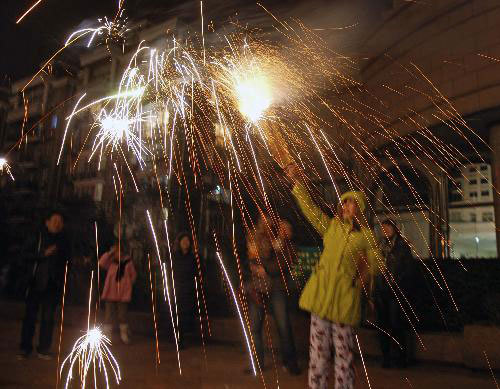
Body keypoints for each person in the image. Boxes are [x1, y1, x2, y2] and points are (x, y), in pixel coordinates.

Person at [286, 163, 381, 389]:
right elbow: (309, 209)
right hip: (320, 297)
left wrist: (361, 278)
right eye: (344, 201)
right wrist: (297, 183)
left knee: (343, 355)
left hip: (344, 300)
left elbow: (378, 263)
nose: (347, 205)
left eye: (352, 202)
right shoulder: (331, 227)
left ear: (360, 208)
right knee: (317, 353)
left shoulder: (366, 236)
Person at [244, 213, 300, 375]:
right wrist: (254, 267)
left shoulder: (286, 245)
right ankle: (257, 363)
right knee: (254, 326)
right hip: (258, 287)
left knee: (283, 325)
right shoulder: (259, 240)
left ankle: (290, 362)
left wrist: (265, 269)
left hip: (276, 288)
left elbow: (284, 263)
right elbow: (252, 259)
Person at [18, 211, 70, 360]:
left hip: (53, 285)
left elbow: (68, 260)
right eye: (54, 220)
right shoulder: (38, 236)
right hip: (36, 283)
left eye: (60, 221)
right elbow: (25, 255)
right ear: (47, 222)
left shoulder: (63, 240)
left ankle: (43, 348)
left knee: (48, 319)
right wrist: (43, 254)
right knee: (30, 318)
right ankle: (25, 348)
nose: (57, 223)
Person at [374, 218, 415, 368]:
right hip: (381, 291)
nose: (385, 230)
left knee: (396, 325)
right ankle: (386, 358)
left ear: (394, 228)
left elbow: (408, 269)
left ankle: (400, 358)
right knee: (383, 326)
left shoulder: (402, 246)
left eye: (388, 227)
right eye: (383, 228)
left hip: (395, 292)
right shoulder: (380, 246)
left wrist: (397, 283)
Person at [99, 241, 137, 344]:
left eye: (119, 251)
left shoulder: (128, 263)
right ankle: (107, 336)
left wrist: (127, 285)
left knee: (122, 315)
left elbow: (133, 275)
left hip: (123, 294)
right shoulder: (110, 262)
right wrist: (110, 253)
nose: (118, 253)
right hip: (110, 292)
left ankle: (124, 335)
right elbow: (101, 263)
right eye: (116, 251)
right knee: (109, 315)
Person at [171, 232, 198, 349]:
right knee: (177, 314)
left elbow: (197, 271)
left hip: (188, 289)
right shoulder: (175, 256)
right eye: (183, 241)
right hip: (177, 288)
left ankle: (182, 337)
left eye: (187, 241)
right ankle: (177, 338)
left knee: (185, 314)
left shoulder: (193, 257)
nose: (185, 243)